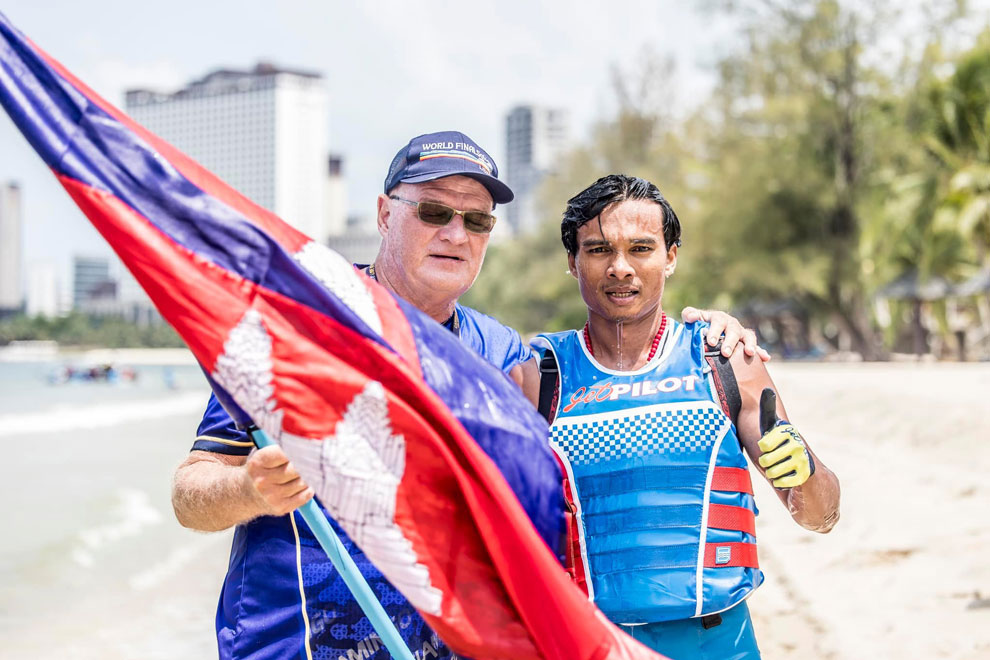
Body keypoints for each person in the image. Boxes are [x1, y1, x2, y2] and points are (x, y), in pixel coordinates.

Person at [172, 133, 764, 660]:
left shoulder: (500, 353)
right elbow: (190, 493)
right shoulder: (291, 327)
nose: (456, 234)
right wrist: (250, 489)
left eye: (476, 221)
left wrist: (705, 333)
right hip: (291, 642)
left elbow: (609, 397)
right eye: (433, 212)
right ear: (384, 214)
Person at [532, 174, 841, 660]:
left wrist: (804, 473)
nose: (620, 268)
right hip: (584, 643)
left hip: (717, 643)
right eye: (597, 250)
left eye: (641, 248)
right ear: (572, 261)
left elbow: (821, 516)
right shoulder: (538, 373)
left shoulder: (726, 359)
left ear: (670, 255)